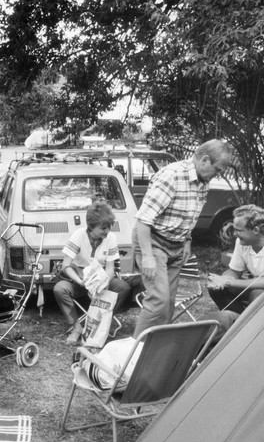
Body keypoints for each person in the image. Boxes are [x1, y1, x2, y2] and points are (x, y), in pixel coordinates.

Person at [132, 139, 234, 337]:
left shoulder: (204, 182)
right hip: (153, 242)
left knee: (168, 302)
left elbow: (189, 214)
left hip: (177, 245)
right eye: (218, 169)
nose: (219, 175)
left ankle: (158, 348)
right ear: (205, 160)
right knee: (159, 301)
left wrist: (187, 240)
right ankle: (135, 353)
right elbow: (143, 220)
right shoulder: (172, 176)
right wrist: (147, 257)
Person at [53, 201, 132, 344]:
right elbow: (66, 266)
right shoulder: (78, 235)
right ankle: (77, 327)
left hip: (100, 278)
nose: (107, 231)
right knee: (60, 289)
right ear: (91, 226)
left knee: (123, 288)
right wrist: (80, 282)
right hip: (79, 278)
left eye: (109, 227)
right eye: (103, 228)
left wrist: (103, 284)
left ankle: (101, 323)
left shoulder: (111, 238)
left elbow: (110, 269)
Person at [207, 204, 264, 313]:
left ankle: (253, 326)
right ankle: (237, 321)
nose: (235, 234)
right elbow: (234, 271)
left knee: (257, 295)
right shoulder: (243, 242)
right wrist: (220, 281)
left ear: (255, 230)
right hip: (262, 288)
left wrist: (227, 282)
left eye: (239, 230)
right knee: (216, 289)